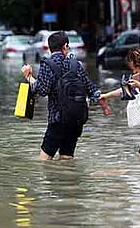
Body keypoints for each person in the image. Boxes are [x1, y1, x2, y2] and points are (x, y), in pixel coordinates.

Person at [21, 32, 101, 160]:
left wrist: (29, 77)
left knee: (44, 162)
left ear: (50, 47)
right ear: (65, 46)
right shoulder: (76, 65)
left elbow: (42, 90)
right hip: (76, 121)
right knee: (67, 160)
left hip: (57, 121)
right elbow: (93, 90)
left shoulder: (47, 64)